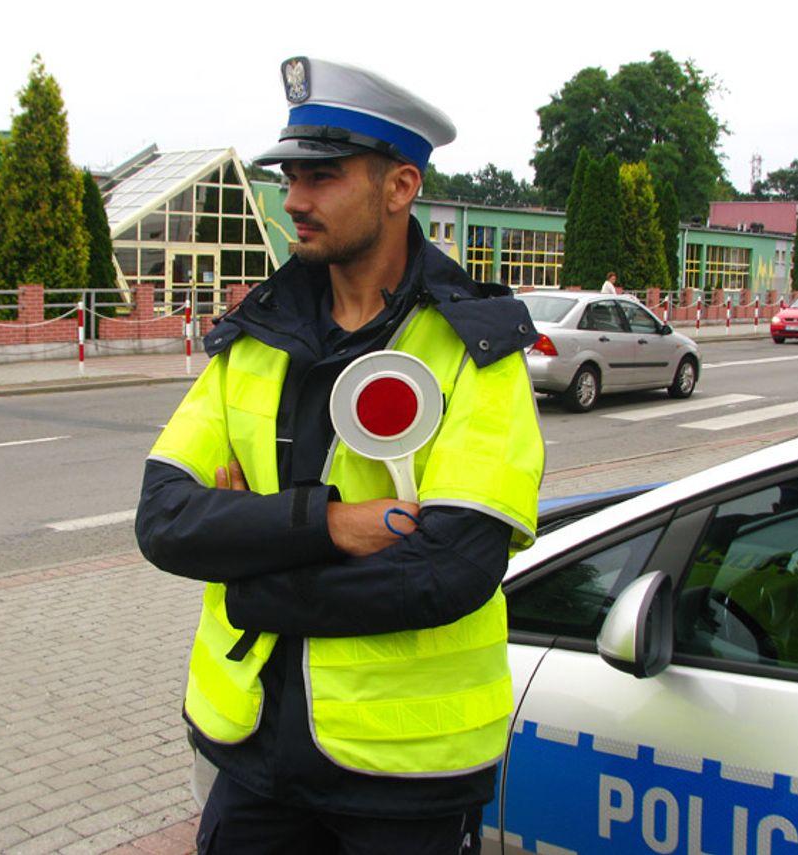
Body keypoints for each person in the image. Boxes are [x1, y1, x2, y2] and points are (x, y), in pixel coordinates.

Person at [136, 56, 545, 855]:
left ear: (399, 187)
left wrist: (249, 568)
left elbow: (448, 569)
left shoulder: (475, 350)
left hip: (404, 778)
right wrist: (329, 522)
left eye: (321, 176)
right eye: (290, 177)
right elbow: (164, 518)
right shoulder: (254, 336)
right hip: (252, 756)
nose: (293, 200)